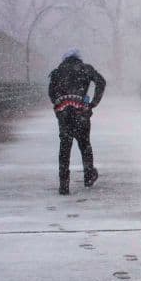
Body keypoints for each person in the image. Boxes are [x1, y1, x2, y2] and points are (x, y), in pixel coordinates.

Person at [48, 49, 106, 195]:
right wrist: (93, 102)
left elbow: (51, 93)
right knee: (85, 144)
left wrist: (59, 107)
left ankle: (64, 185)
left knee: (65, 147)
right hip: (81, 113)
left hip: (64, 113)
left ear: (65, 59)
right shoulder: (86, 69)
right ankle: (88, 177)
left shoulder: (57, 72)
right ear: (78, 58)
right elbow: (101, 82)